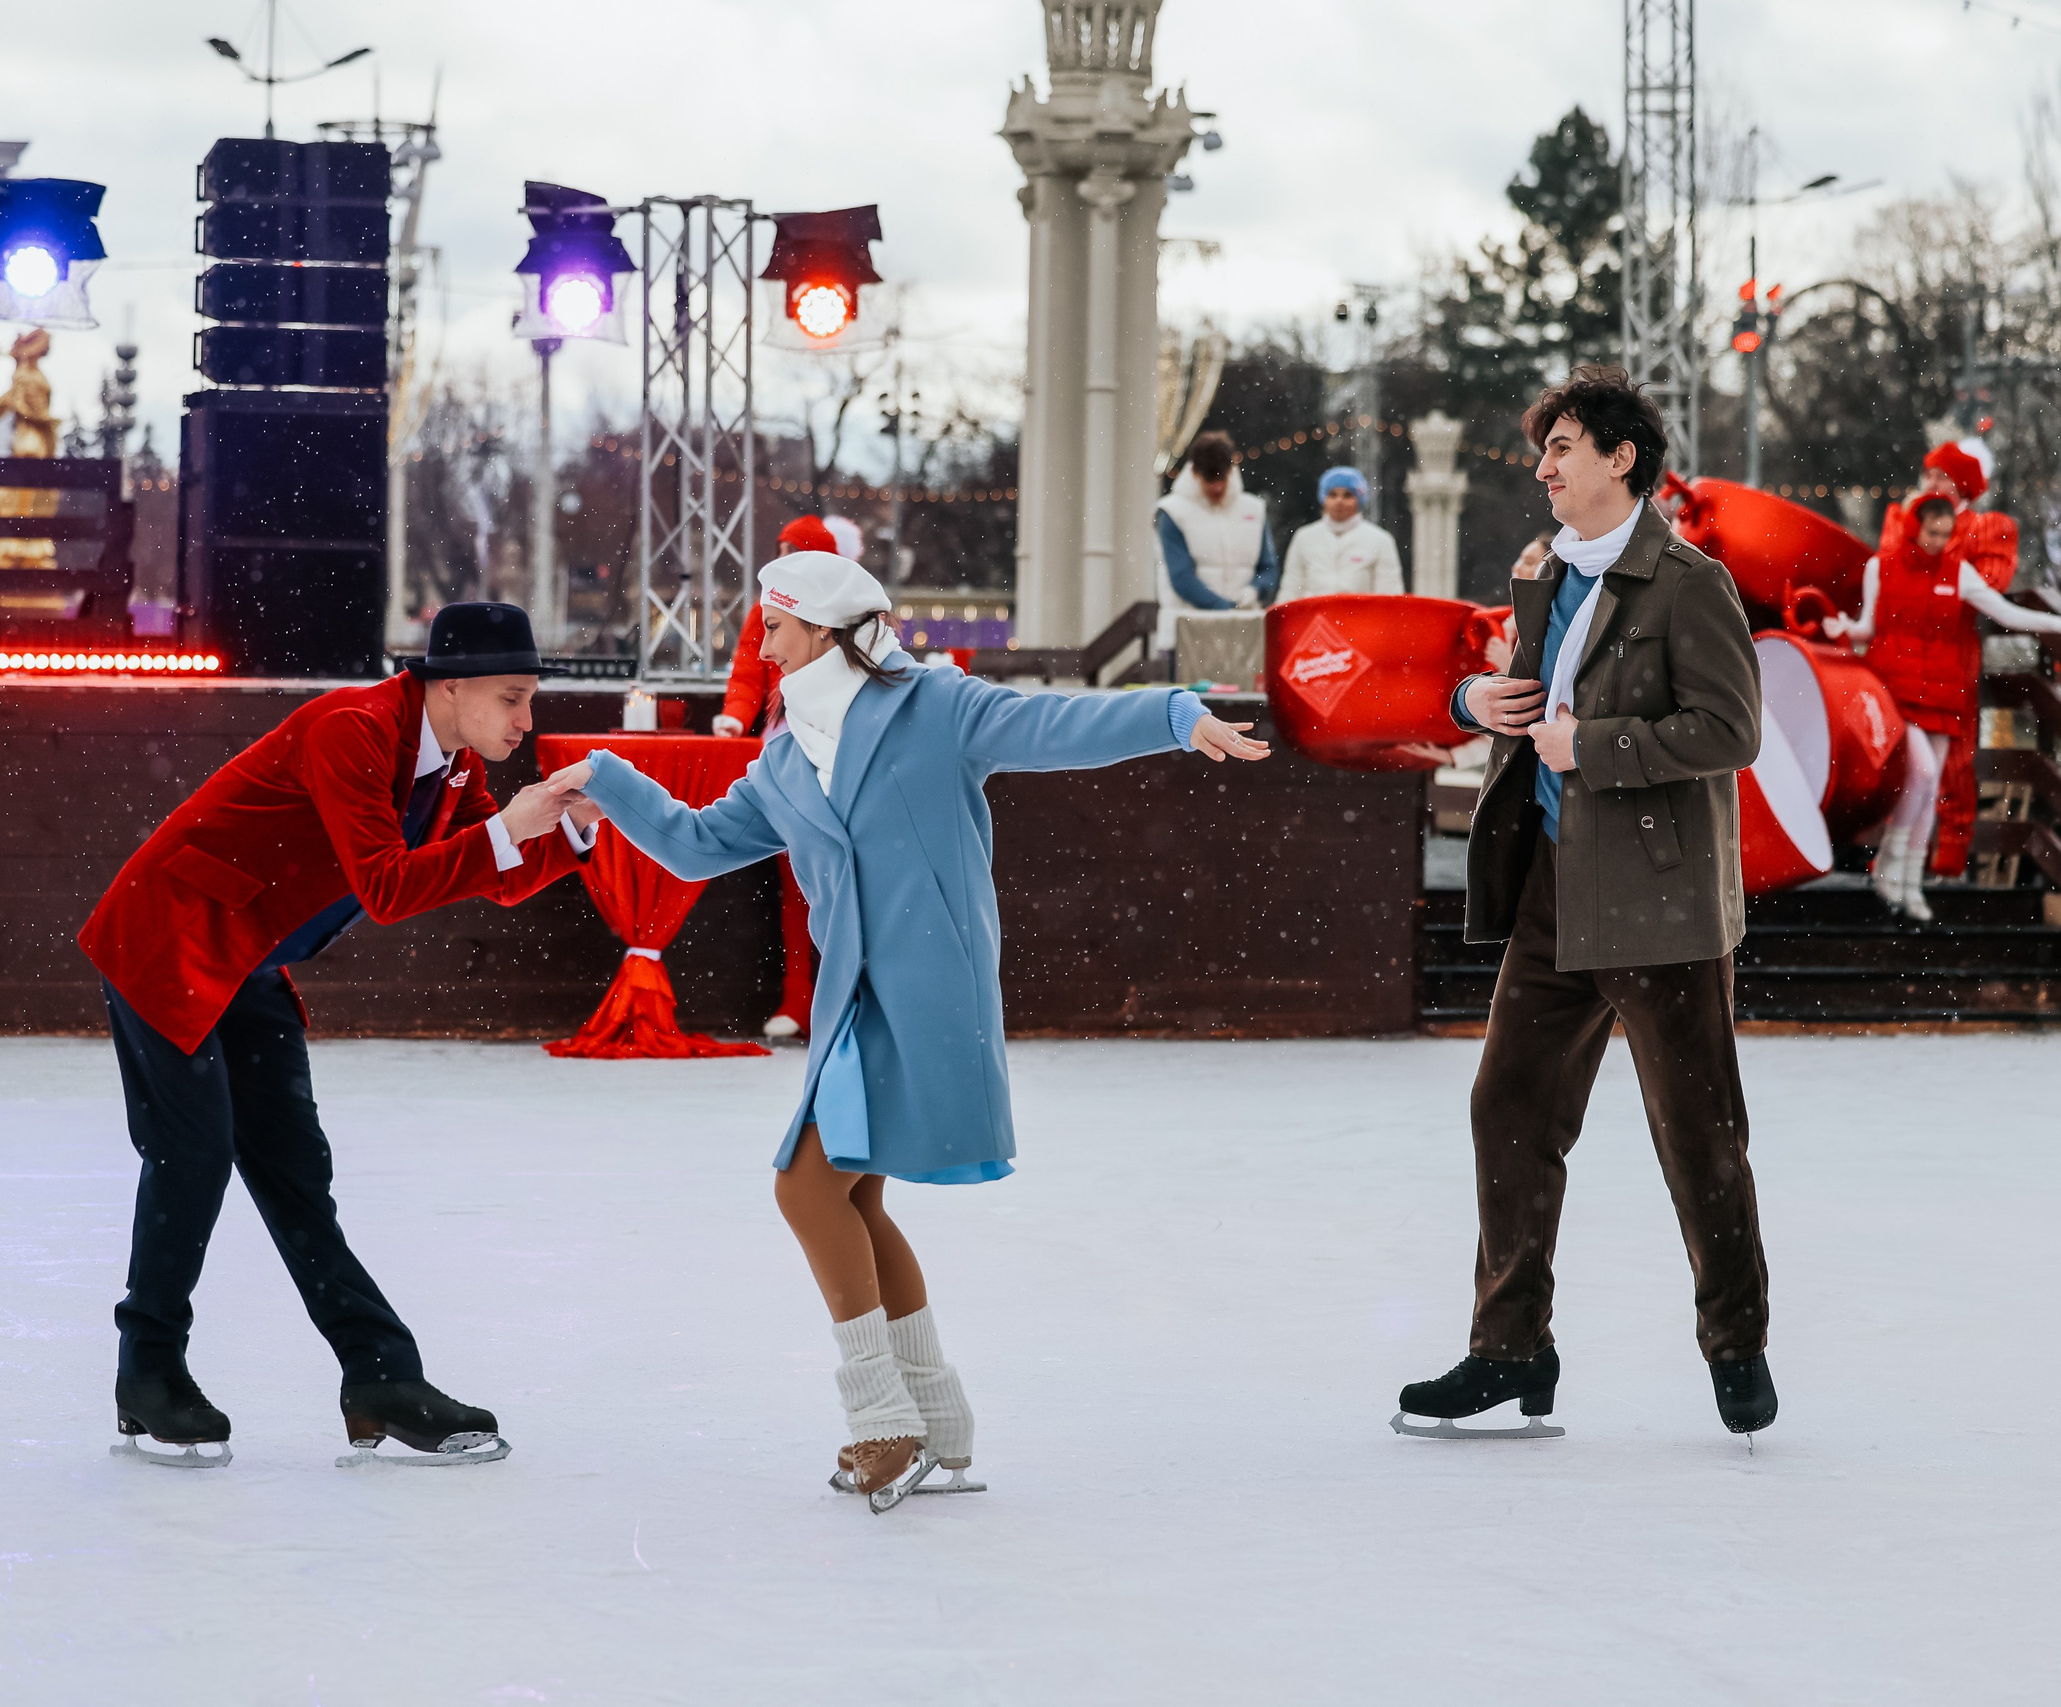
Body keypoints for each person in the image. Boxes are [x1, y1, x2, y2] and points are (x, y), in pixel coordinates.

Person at [547, 552, 1270, 1506]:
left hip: (928, 998)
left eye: (774, 626)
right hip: (850, 1006)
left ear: (823, 629)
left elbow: (1056, 723)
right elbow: (694, 843)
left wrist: (1173, 714)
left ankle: (884, 1424)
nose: (761, 645)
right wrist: (609, 780)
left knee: (807, 1192)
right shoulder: (782, 756)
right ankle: (937, 1420)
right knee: (852, 1202)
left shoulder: (939, 706)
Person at [76, 603, 598, 1468]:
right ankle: (148, 1371)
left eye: (530, 698)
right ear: (452, 685)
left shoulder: (451, 764)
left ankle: (381, 1376)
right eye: (512, 698)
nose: (525, 720)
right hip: (167, 934)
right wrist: (516, 826)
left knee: (294, 1173)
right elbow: (391, 888)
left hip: (245, 955)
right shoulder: (353, 731)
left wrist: (572, 827)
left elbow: (485, 875)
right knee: (193, 1153)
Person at [1399, 365, 1778, 1442]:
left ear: (1622, 457)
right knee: (1507, 1108)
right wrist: (1478, 700)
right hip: (1553, 895)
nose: (1544, 466)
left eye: (1563, 446)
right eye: (1544, 448)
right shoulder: (1545, 575)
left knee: (1697, 1137)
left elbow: (1730, 731)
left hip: (1660, 903)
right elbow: (1517, 692)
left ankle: (1736, 1340)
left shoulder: (1687, 581)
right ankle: (1510, 1348)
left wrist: (1594, 747)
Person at [1820, 440, 2061, 920]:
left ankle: (1903, 876)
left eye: (1943, 531)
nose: (1935, 540)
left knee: (1930, 785)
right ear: (1917, 525)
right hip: (1899, 687)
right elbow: (1868, 625)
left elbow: (2010, 614)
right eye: (1930, 530)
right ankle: (1895, 870)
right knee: (1925, 776)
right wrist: (1841, 631)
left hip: (1943, 690)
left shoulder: (1959, 573)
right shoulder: (1882, 568)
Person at [715, 514, 851, 1038]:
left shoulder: (851, 611)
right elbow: (750, 668)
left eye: (796, 550)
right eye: (783, 550)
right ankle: (799, 997)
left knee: (846, 883)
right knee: (797, 883)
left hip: (842, 749)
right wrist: (735, 712)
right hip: (790, 746)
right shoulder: (767, 610)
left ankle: (843, 1002)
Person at [1154, 430, 1279, 651]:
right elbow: (1181, 576)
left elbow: (1268, 567)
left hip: (1243, 634)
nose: (1217, 487)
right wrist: (1225, 609)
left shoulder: (1254, 508)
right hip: (1190, 633)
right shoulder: (1172, 511)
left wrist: (1255, 590)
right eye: (1209, 479)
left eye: (1222, 478)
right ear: (1194, 473)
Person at [1277, 466, 1403, 602]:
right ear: (1323, 499)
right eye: (1332, 495)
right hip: (1314, 619)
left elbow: (1389, 594)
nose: (1339, 501)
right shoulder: (1304, 537)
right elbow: (1291, 588)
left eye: (1347, 495)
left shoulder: (1380, 540)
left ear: (1359, 499)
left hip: (1361, 619)